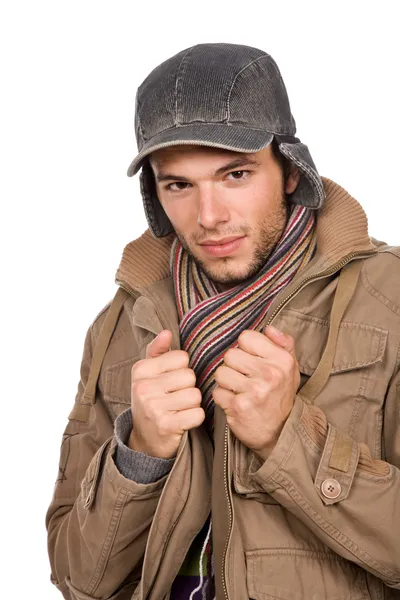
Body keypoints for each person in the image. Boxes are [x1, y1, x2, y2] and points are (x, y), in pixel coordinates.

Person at [46, 43, 400, 600]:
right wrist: (140, 454)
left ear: (288, 170)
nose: (208, 218)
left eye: (235, 174)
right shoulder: (125, 323)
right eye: (178, 185)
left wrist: (289, 440)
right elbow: (78, 580)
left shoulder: (390, 301)